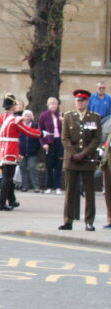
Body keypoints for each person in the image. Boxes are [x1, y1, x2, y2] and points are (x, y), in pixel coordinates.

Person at [60, 89, 102, 231]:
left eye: (83, 100)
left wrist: (83, 154)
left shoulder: (95, 117)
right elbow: (64, 138)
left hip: (87, 159)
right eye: (78, 100)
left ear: (87, 101)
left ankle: (89, 221)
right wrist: (73, 153)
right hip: (71, 159)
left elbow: (96, 139)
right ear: (75, 102)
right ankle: (68, 221)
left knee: (89, 193)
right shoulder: (68, 116)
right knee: (70, 192)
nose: (80, 103)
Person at [0, 94, 40, 211]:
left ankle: (11, 200)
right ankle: (1, 203)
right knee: (8, 178)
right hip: (11, 149)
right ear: (12, 106)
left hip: (1, 149)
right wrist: (41, 133)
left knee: (7, 177)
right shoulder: (15, 120)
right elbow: (27, 131)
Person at [38, 97, 64, 194]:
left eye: (55, 104)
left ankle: (58, 187)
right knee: (49, 165)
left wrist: (63, 121)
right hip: (49, 141)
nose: (53, 105)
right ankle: (49, 186)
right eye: (51, 103)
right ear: (48, 105)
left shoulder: (60, 115)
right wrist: (43, 143)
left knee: (59, 164)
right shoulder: (44, 115)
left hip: (59, 142)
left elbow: (66, 129)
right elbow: (40, 131)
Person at [17, 110, 42, 193]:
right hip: (21, 151)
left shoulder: (35, 125)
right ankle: (24, 186)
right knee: (22, 167)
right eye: (25, 116)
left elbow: (38, 137)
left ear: (31, 117)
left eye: (28, 116)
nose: (27, 118)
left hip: (32, 151)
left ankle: (36, 186)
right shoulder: (19, 125)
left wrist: (37, 147)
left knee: (32, 167)